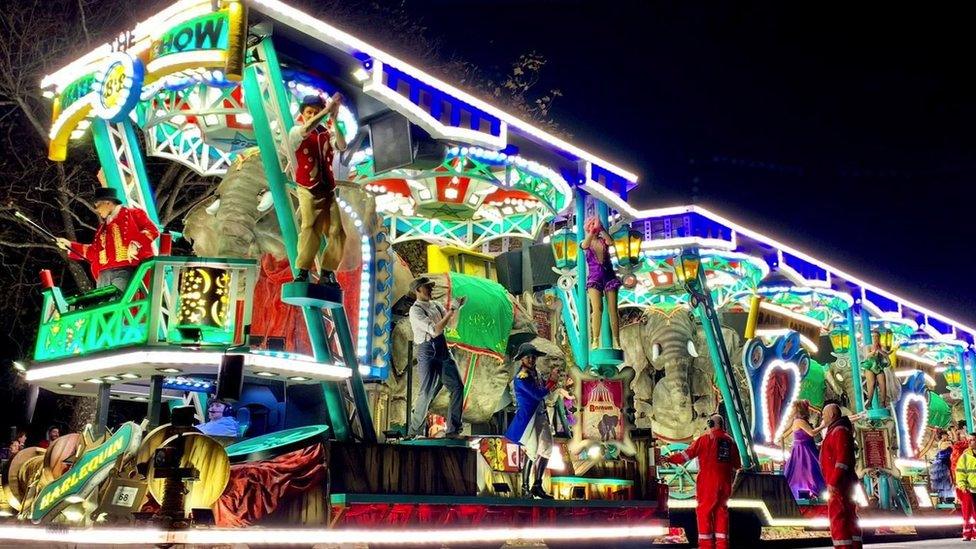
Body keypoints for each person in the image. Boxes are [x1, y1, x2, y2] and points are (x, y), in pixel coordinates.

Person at [288, 93, 347, 285]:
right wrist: (325, 111)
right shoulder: (296, 131)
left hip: (327, 188)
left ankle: (328, 271)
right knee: (310, 227)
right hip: (307, 187)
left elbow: (341, 145)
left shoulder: (326, 134)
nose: (311, 115)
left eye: (315, 112)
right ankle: (303, 271)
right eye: (309, 112)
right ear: (302, 114)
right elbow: (307, 129)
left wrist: (334, 119)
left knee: (337, 230)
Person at [55, 186, 159, 291]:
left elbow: (152, 231)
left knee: (122, 301)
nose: (96, 209)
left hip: (127, 269)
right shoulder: (102, 229)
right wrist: (70, 246)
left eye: (97, 204)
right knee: (105, 304)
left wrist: (136, 244)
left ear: (108, 203)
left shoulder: (133, 214)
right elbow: (93, 252)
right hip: (103, 274)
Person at [663, 414, 741, 549]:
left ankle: (706, 545)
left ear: (710, 424)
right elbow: (737, 465)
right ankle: (722, 545)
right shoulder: (731, 441)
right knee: (721, 512)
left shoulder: (704, 440)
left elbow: (685, 456)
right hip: (725, 483)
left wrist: (669, 459)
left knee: (704, 512)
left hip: (708, 482)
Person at [406, 276, 465, 439]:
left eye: (431, 287)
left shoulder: (437, 305)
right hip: (427, 349)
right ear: (418, 290)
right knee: (426, 391)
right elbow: (434, 330)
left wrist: (457, 308)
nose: (430, 289)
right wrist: (451, 311)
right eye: (427, 287)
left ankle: (453, 430)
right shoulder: (415, 310)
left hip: (442, 346)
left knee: (458, 386)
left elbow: (451, 325)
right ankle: (414, 431)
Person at [505, 342, 558, 499]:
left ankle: (537, 485)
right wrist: (552, 382)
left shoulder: (536, 373)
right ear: (522, 359)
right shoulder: (522, 377)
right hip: (530, 418)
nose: (531, 359)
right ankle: (525, 488)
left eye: (533, 357)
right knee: (532, 451)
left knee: (548, 448)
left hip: (541, 415)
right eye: (528, 357)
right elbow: (538, 394)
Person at [819, 403, 862, 549]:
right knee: (849, 517)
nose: (822, 417)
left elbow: (842, 461)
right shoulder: (839, 430)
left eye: (824, 414)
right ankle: (854, 545)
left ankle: (843, 547)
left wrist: (833, 482)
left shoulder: (838, 431)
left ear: (832, 414)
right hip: (844, 483)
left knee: (838, 518)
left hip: (839, 484)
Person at [580, 217, 621, 349]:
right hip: (594, 278)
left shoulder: (604, 241)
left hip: (608, 276)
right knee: (597, 309)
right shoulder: (585, 242)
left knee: (613, 309)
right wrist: (592, 231)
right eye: (591, 226)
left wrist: (602, 229)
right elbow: (584, 245)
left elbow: (611, 241)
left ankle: (616, 340)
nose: (595, 229)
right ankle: (595, 339)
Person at [781, 399, 827, 501]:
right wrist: (823, 425)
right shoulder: (799, 421)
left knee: (810, 471)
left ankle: (814, 493)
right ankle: (811, 493)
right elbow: (812, 433)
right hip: (804, 450)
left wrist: (814, 409)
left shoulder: (799, 421)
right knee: (808, 472)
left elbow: (784, 435)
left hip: (806, 448)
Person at [861, 328, 893, 409]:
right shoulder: (868, 346)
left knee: (883, 383)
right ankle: (869, 402)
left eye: (877, 337)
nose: (875, 338)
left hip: (878, 366)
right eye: (874, 337)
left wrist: (881, 351)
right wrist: (874, 351)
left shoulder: (882, 348)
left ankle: (883, 402)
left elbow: (887, 359)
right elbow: (867, 356)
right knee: (871, 384)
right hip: (870, 366)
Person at [957, 433, 976, 540]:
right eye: (970, 440)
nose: (970, 442)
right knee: (968, 511)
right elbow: (960, 472)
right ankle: (967, 533)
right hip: (970, 489)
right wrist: (962, 485)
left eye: (973, 440)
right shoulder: (965, 456)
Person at [930, 430, 955, 503]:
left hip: (949, 461)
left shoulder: (949, 442)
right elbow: (943, 448)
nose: (945, 436)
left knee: (948, 480)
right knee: (943, 480)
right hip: (942, 463)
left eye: (946, 435)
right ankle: (943, 497)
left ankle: (948, 497)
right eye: (943, 435)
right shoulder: (941, 443)